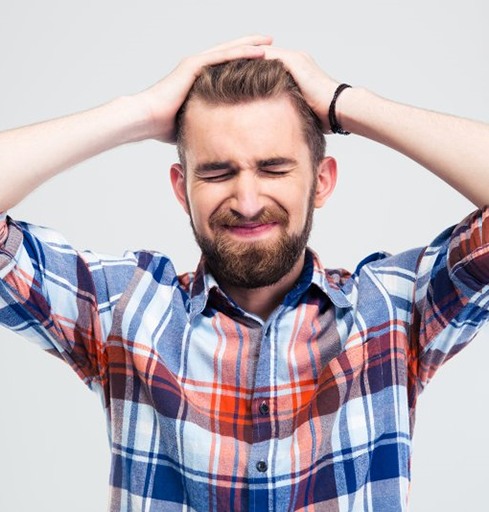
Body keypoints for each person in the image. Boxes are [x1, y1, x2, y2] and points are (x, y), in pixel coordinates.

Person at [1, 34, 488, 511]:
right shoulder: (121, 309)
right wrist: (141, 111)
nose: (248, 202)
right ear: (181, 188)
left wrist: (345, 103)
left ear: (321, 182)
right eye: (216, 173)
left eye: (274, 169)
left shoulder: (394, 310)